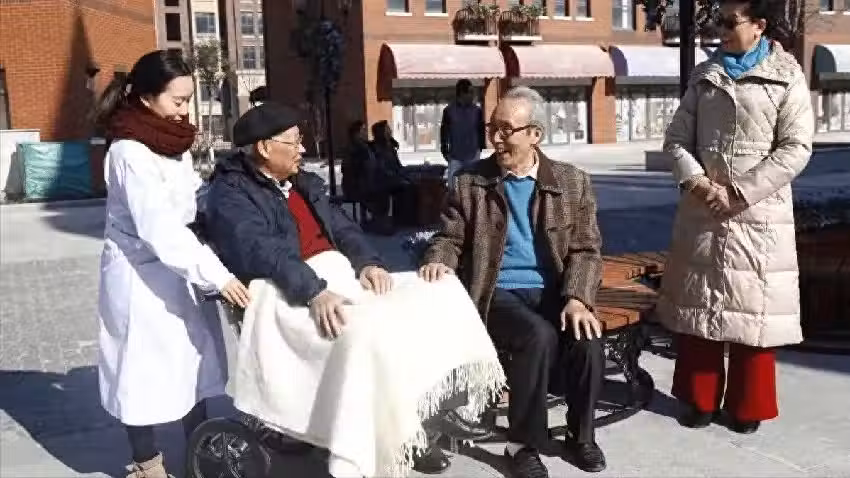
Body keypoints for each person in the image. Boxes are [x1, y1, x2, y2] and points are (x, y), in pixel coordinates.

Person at [203, 103, 507, 477]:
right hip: (289, 293)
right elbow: (263, 251)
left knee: (441, 290)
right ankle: (402, 435)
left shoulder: (303, 183)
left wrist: (369, 263)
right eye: (294, 142)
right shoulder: (231, 194)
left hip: (339, 276)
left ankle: (432, 410)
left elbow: (344, 228)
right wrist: (314, 291)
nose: (302, 149)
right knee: (369, 334)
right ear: (264, 148)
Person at [420, 86, 607, 477]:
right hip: (495, 292)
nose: (496, 138)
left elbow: (586, 249)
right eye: (493, 128)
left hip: (553, 290)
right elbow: (449, 237)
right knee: (537, 336)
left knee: (587, 338)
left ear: (534, 134)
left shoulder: (572, 182)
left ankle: (581, 435)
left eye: (506, 129)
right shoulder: (470, 181)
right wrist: (438, 260)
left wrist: (577, 298)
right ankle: (522, 444)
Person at [658, 0, 814, 435]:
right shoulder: (705, 75)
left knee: (754, 312)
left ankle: (748, 406)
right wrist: (698, 183)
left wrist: (740, 192)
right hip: (703, 210)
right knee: (699, 307)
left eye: (730, 23)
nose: (721, 30)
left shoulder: (786, 76)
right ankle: (698, 399)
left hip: (758, 214)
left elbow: (796, 148)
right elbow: (676, 140)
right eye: (717, 22)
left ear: (759, 26)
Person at [94, 49, 250, 478]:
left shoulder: (171, 141)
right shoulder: (129, 151)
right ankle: (147, 461)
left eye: (187, 101)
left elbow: (191, 196)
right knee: (140, 369)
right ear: (146, 97)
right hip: (140, 274)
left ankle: (201, 446)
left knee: (191, 360)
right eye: (177, 101)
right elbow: (158, 226)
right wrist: (216, 275)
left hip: (180, 266)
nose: (184, 111)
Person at [440, 79, 485, 183]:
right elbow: (444, 132)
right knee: (453, 186)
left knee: (473, 185)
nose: (473, 95)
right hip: (455, 157)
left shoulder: (477, 111)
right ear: (462, 93)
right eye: (470, 92)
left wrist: (480, 148)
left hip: (473, 156)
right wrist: (445, 151)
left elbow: (481, 130)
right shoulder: (448, 111)